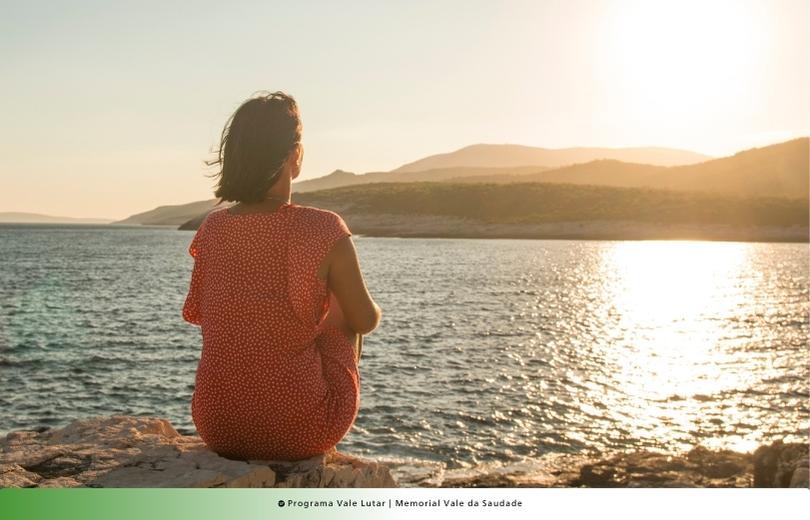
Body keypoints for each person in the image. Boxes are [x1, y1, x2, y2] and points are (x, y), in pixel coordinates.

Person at [181, 91, 381, 461]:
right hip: (302, 430)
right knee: (340, 313)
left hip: (217, 426)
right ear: (296, 156)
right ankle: (322, 437)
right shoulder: (323, 227)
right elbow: (364, 320)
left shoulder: (212, 228)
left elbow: (207, 317)